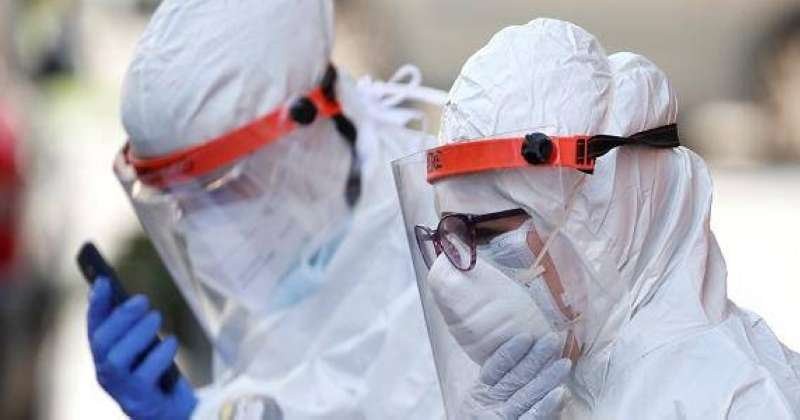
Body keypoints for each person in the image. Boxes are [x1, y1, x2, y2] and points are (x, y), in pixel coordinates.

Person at [393, 18, 800, 418]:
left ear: (599, 220)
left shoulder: (736, 401)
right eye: (450, 235)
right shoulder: (573, 389)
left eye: (487, 234)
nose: (451, 277)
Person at [86, 0, 447, 418]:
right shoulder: (294, 256)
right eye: (179, 202)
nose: (199, 230)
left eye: (219, 188)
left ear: (307, 131)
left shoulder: (440, 241)